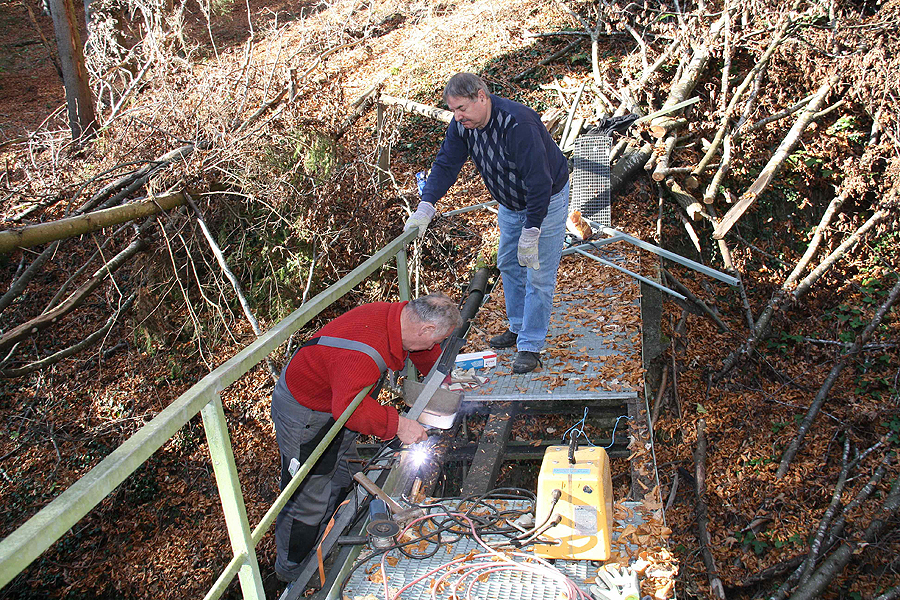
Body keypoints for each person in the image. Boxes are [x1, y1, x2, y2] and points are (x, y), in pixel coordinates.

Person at [271, 293, 461, 583]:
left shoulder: (396, 319)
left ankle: (328, 532)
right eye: (435, 340)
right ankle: (292, 571)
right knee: (308, 492)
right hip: (305, 410)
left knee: (338, 471)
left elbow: (419, 347)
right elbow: (349, 408)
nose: (433, 346)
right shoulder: (362, 352)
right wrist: (398, 424)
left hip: (335, 401)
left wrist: (442, 378)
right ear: (424, 329)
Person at [404, 72, 570, 374]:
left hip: (546, 201)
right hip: (509, 202)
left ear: (482, 96)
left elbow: (539, 182)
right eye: (453, 110)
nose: (457, 116)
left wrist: (532, 229)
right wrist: (426, 204)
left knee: (538, 274)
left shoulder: (518, 124)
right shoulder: (463, 126)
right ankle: (518, 327)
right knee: (508, 263)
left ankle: (531, 346)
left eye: (462, 108)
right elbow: (446, 163)